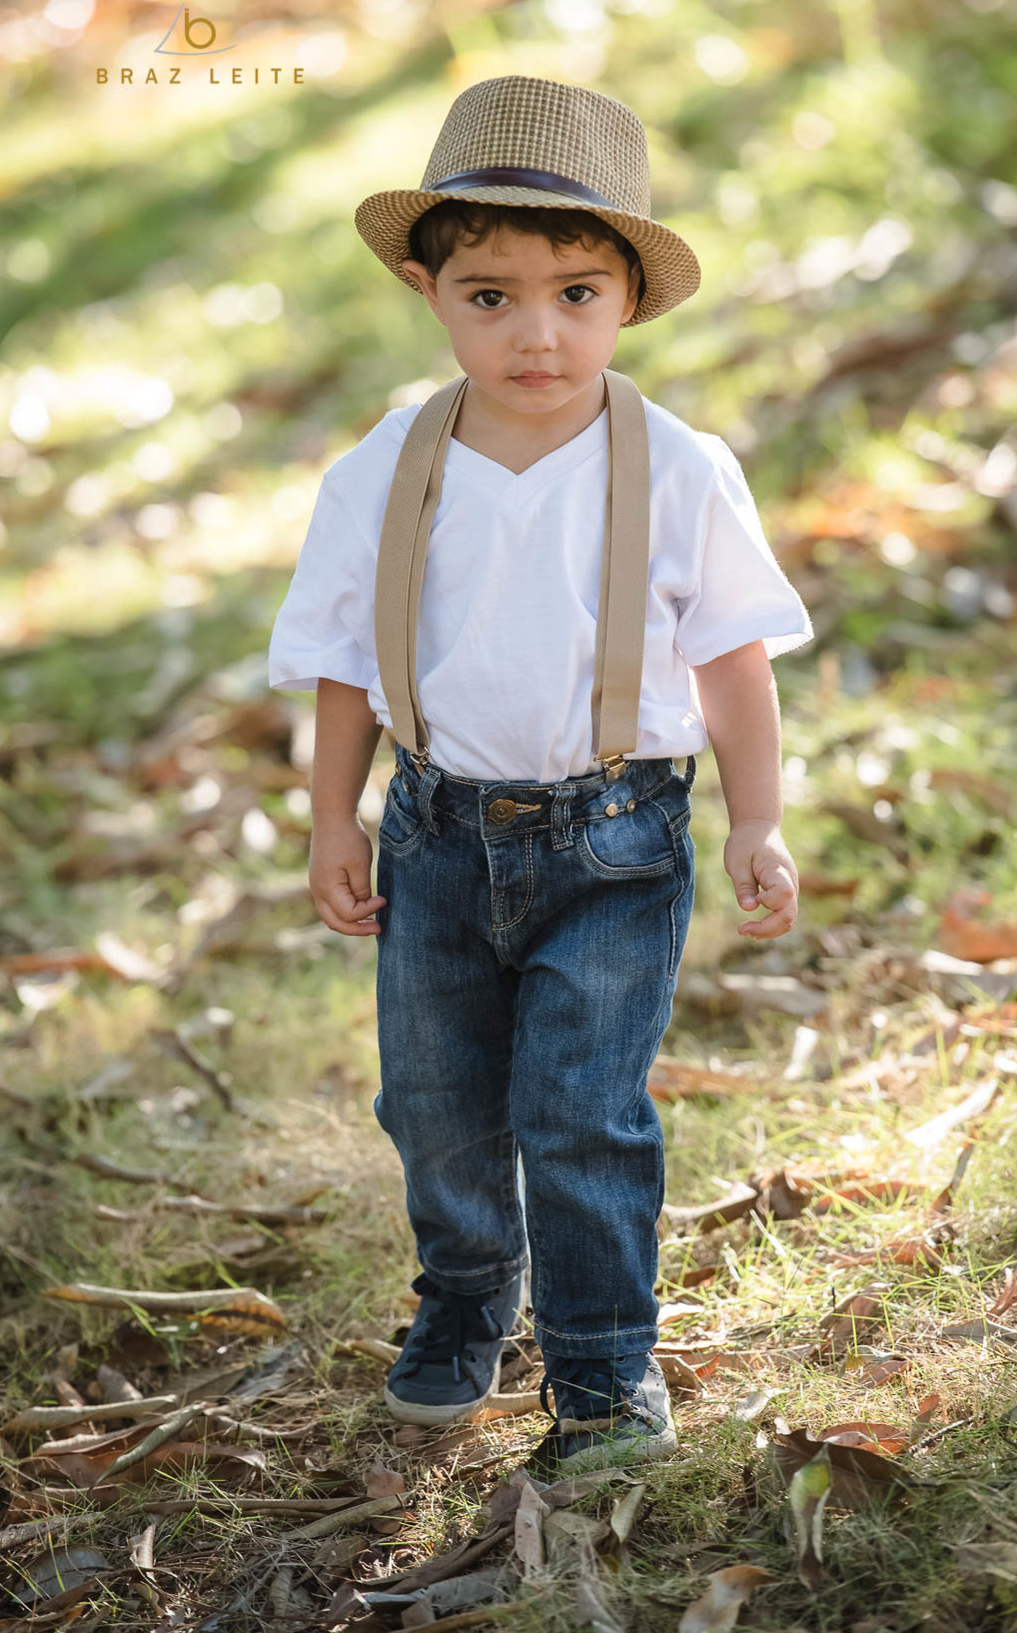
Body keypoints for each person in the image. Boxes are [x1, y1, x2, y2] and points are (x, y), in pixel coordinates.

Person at [267, 73, 814, 1479]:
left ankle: (603, 1360)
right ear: (427, 290)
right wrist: (334, 817)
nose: (538, 332)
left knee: (582, 1110)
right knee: (434, 1103)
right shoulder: (386, 468)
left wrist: (757, 817)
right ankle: (464, 1299)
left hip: (615, 840)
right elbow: (343, 660)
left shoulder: (678, 467)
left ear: (628, 298)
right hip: (436, 834)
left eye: (577, 294)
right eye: (491, 295)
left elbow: (735, 658)